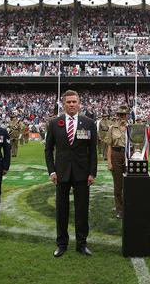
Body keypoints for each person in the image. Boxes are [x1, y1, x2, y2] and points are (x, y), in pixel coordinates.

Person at [44, 90, 98, 257]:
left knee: (82, 210)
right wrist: (52, 171)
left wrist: (92, 173)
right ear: (63, 104)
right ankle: (62, 243)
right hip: (61, 174)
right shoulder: (54, 123)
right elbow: (48, 149)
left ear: (79, 103)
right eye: (68, 102)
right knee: (62, 210)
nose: (72, 105)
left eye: (74, 102)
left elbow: (93, 151)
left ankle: (82, 244)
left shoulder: (89, 123)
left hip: (82, 174)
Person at [105, 105, 129, 219]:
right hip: (116, 155)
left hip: (128, 156)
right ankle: (120, 209)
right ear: (118, 116)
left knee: (129, 184)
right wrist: (109, 162)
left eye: (124, 114)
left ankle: (129, 206)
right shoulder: (112, 128)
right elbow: (109, 146)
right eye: (120, 115)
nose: (122, 117)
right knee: (118, 185)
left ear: (127, 115)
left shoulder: (132, 128)